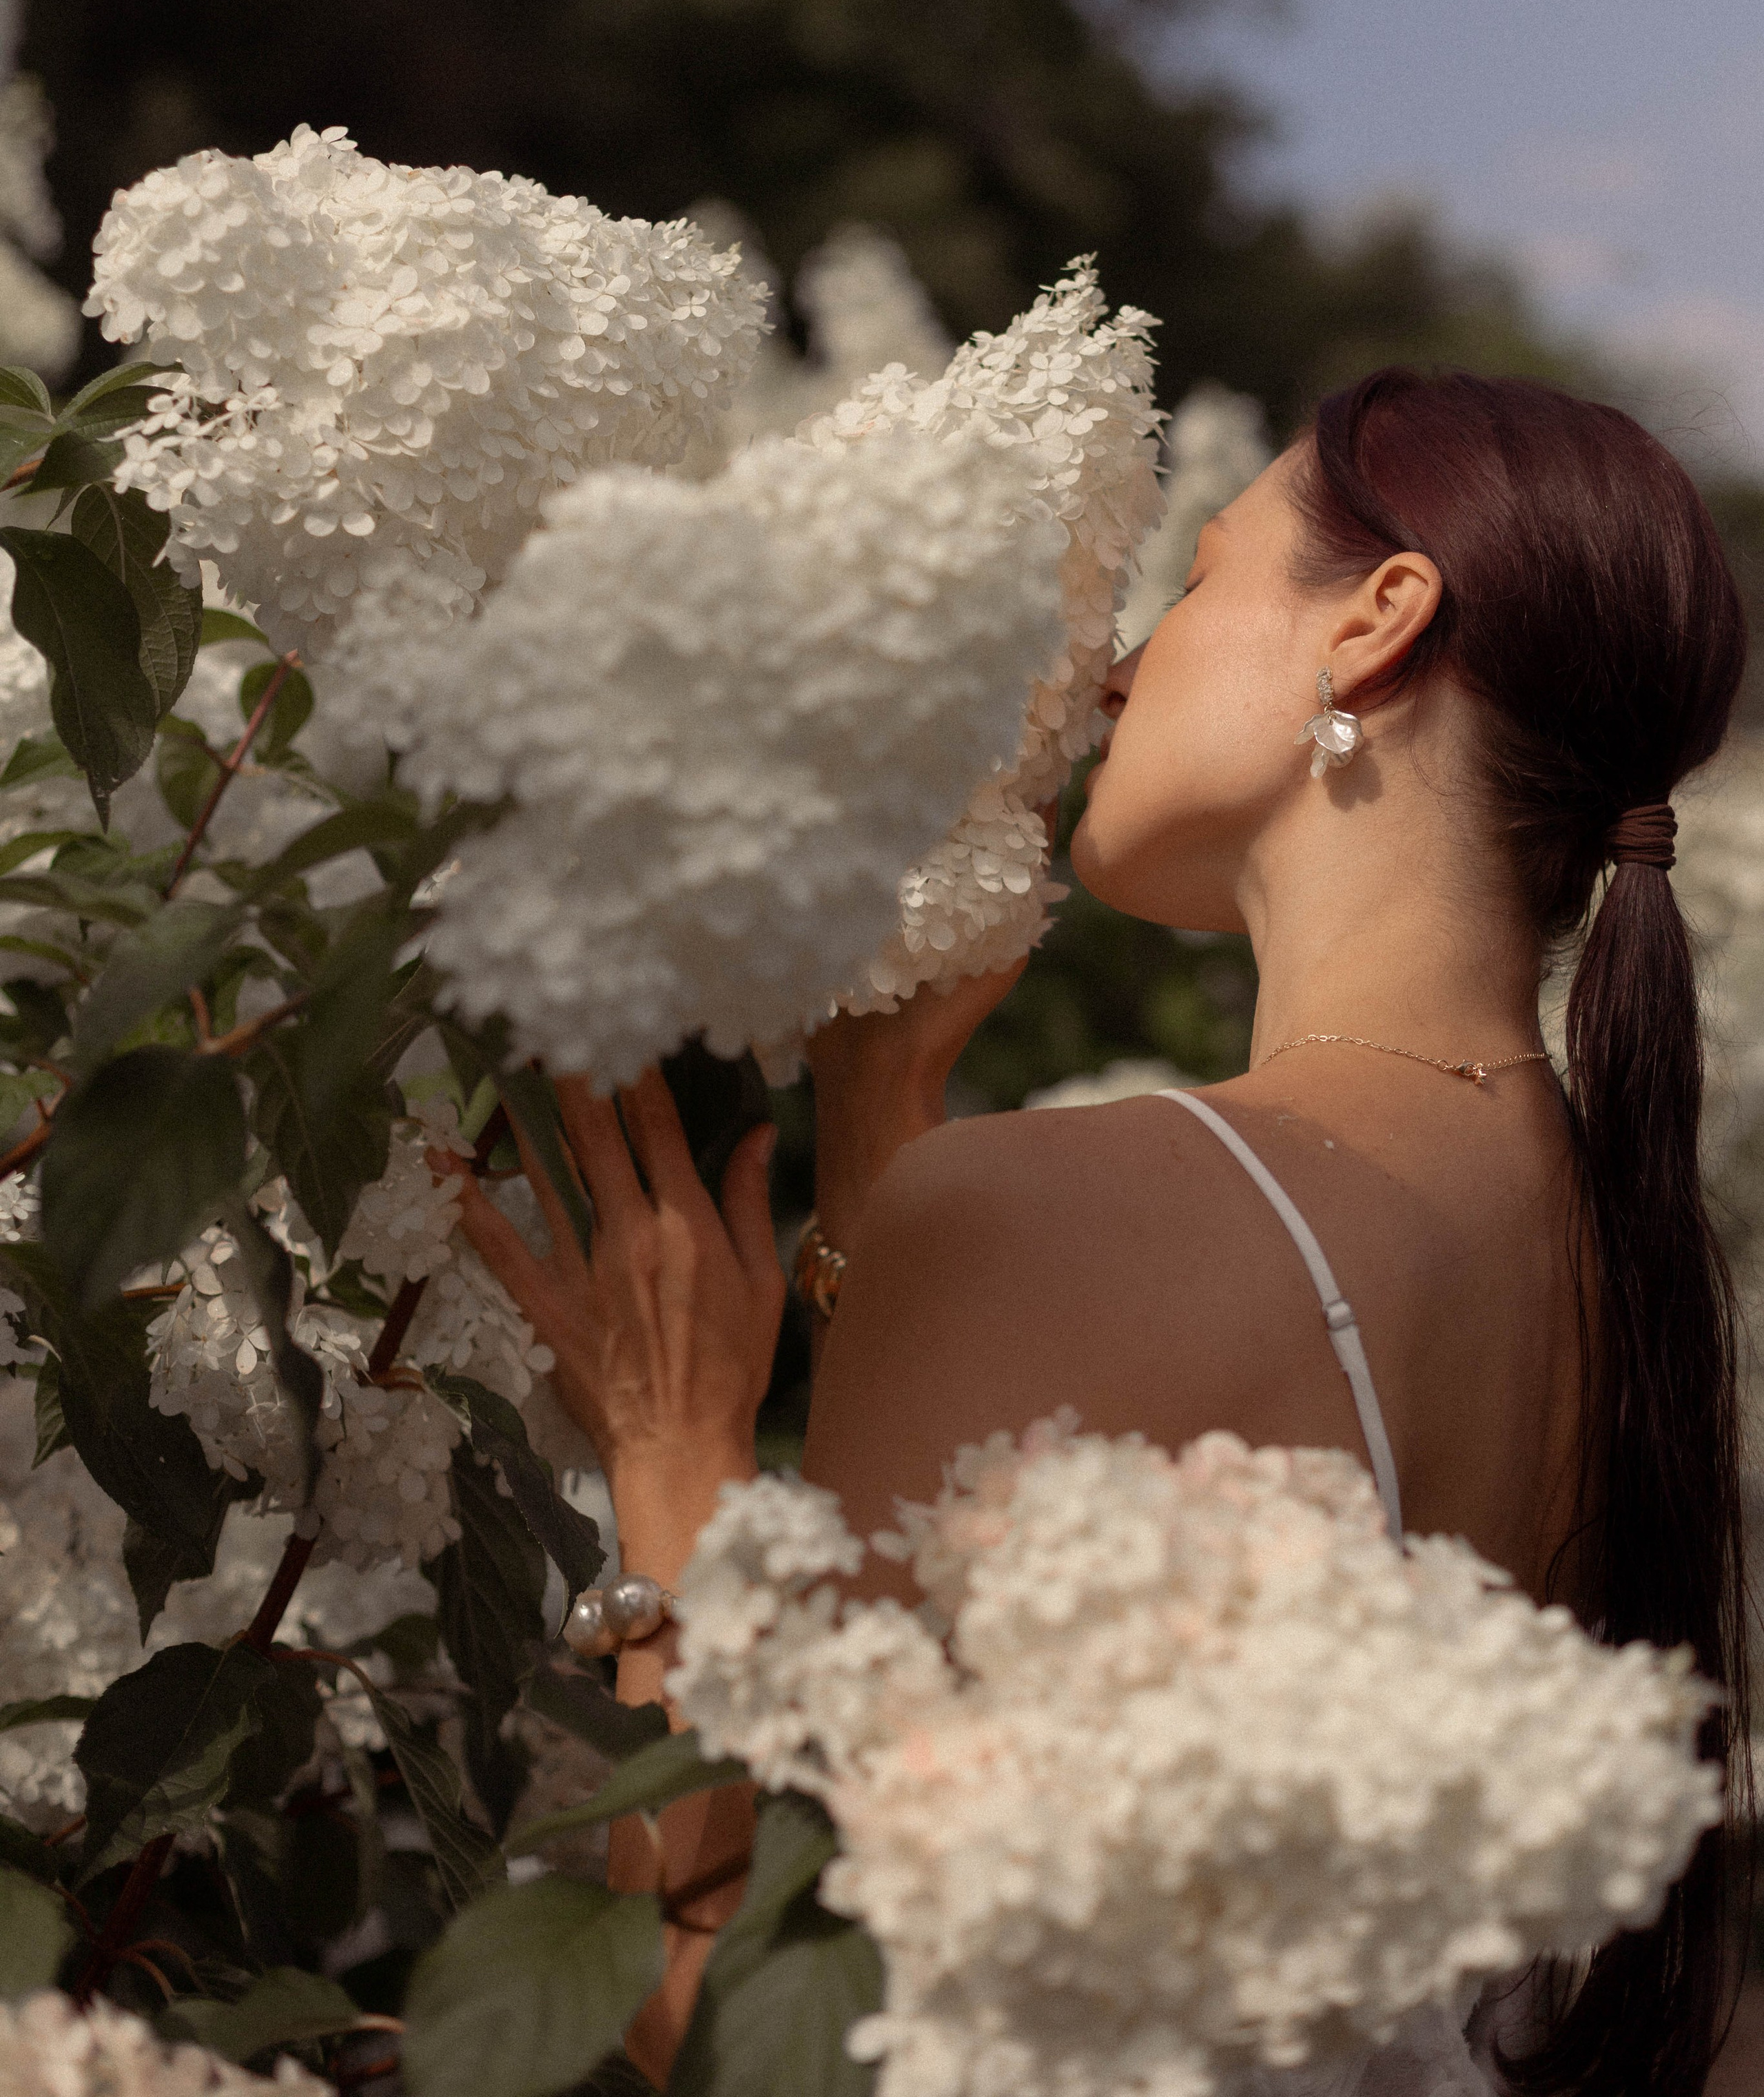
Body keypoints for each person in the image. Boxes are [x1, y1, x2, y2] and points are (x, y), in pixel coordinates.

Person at [451, 369, 1749, 2096]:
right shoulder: (1608, 1254)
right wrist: (877, 1165)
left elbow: (754, 2035)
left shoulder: (1068, 1210)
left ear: (1374, 622)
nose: (1125, 661)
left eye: (1197, 576)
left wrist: (673, 1466)